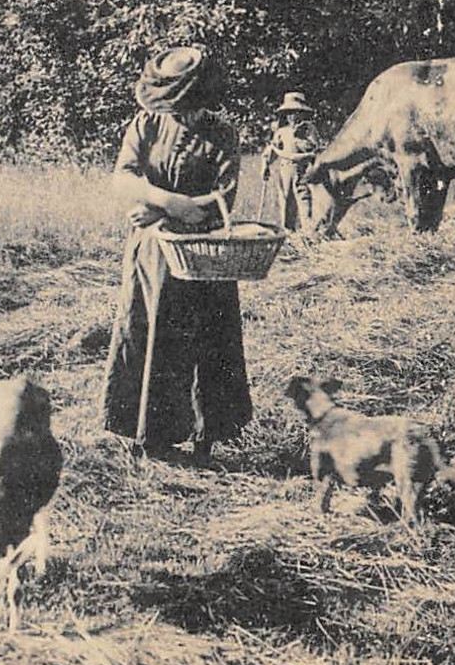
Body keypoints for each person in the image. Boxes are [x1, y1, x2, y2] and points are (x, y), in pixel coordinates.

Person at [101, 45, 253, 465]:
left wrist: (180, 208)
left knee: (208, 337)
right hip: (155, 248)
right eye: (175, 106)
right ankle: (149, 435)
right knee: (151, 332)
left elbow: (223, 196)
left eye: (189, 106)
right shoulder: (146, 124)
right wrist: (164, 201)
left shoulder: (222, 133)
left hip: (206, 251)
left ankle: (209, 437)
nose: (181, 115)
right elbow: (124, 177)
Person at [262, 91, 320, 231]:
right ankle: (288, 233)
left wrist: (303, 142)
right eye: (289, 113)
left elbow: (315, 150)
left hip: (303, 171)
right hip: (285, 170)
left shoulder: (309, 130)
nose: (292, 116)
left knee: (304, 200)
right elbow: (272, 151)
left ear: (302, 112)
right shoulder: (282, 131)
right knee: (286, 201)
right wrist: (266, 165)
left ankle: (308, 231)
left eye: (295, 112)